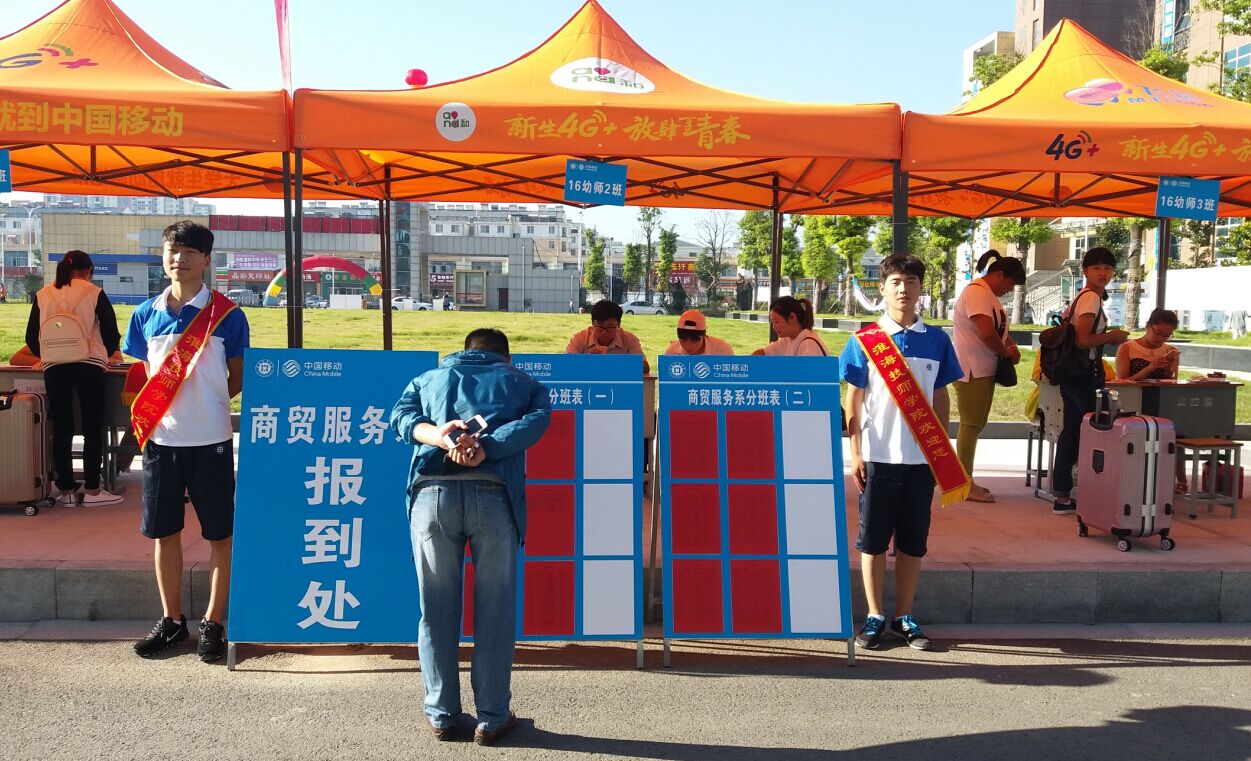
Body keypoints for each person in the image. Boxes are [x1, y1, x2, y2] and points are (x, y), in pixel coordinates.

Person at [390, 328, 551, 745]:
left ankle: (441, 714)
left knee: (435, 609)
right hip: (494, 495)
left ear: (463, 351)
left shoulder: (428, 379)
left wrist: (439, 435)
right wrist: (486, 448)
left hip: (432, 496)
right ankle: (492, 716)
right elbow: (536, 422)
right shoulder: (524, 383)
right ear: (506, 358)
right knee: (495, 609)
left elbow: (400, 418)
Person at [124, 221, 249, 662]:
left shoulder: (228, 315)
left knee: (220, 533)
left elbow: (236, 377)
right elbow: (143, 376)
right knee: (164, 532)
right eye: (172, 251)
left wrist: (205, 406)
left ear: (206, 259)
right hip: (161, 442)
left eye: (190, 252)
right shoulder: (144, 314)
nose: (179, 259)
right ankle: (172, 621)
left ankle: (213, 622)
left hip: (212, 440)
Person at [841, 253, 964, 652]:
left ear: (920, 288)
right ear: (882, 288)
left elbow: (941, 395)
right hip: (879, 455)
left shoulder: (937, 340)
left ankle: (905, 615)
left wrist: (941, 449)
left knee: (913, 540)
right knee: (873, 540)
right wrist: (856, 451)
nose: (903, 289)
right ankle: (875, 615)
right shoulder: (866, 340)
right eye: (895, 281)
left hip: (921, 459)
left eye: (911, 281)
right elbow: (853, 398)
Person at [24, 250, 124, 507]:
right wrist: (106, 354)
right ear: (88, 270)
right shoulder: (93, 292)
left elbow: (31, 336)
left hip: (54, 366)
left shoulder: (43, 294)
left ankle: (66, 489)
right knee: (92, 426)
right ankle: (92, 489)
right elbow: (111, 332)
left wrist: (48, 354)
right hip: (89, 364)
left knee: (62, 426)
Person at [1051, 247, 1130, 515]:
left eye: (1108, 268)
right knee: (1096, 430)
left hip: (1072, 372)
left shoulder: (1082, 298)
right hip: (1084, 373)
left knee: (1073, 430)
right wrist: (1111, 336)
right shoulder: (1090, 299)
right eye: (1096, 268)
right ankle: (1092, 488)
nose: (1103, 273)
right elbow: (1084, 340)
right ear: (1085, 271)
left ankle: (1062, 494)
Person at [951, 251, 1024, 503]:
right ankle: (963, 483)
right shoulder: (978, 292)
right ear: (999, 275)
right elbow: (986, 331)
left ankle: (964, 480)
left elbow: (996, 330)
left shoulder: (986, 294)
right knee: (971, 425)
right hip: (973, 368)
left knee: (974, 425)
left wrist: (1009, 346)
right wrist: (1005, 351)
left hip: (982, 368)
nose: (1009, 290)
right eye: (1010, 284)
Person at [1115, 308, 1188, 492]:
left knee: (1175, 431)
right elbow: (1122, 381)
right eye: (1158, 332)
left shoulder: (1170, 350)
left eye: (1167, 335)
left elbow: (1171, 380)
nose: (1161, 338)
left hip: (1162, 401)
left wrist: (1169, 368)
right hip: (1133, 402)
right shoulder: (1128, 348)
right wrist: (1149, 368)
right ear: (1148, 326)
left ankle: (1177, 478)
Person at [565, 299, 650, 372]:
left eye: (610, 327)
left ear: (618, 325)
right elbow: (566, 365)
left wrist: (609, 362)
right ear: (593, 323)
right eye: (600, 327)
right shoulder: (579, 338)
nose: (604, 331)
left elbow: (645, 367)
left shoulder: (629, 339)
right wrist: (588, 359)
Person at [752, 296, 828, 356]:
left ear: (792, 317)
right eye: (772, 322)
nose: (774, 327)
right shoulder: (788, 340)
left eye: (776, 322)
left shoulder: (808, 346)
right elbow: (762, 353)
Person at [664, 309, 734, 356]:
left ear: (704, 335)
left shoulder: (722, 350)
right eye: (683, 340)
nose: (688, 346)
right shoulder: (671, 354)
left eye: (694, 340)